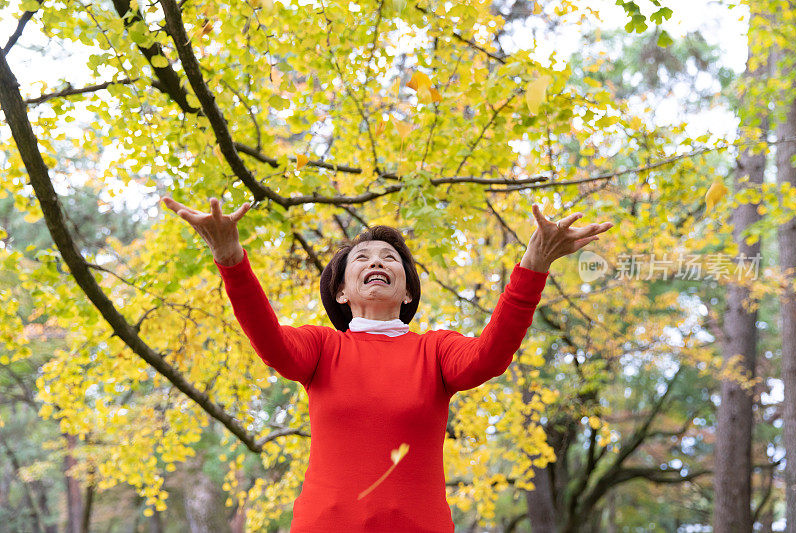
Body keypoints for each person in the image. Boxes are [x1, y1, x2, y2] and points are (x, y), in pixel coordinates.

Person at [162, 196, 613, 532]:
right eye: (362, 258)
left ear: (408, 291)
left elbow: (490, 357)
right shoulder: (322, 348)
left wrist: (534, 264)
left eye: (389, 259)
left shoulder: (435, 350)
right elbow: (269, 339)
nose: (376, 261)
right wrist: (231, 259)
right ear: (341, 292)